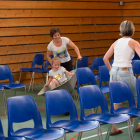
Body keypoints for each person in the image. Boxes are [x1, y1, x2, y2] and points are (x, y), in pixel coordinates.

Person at [103, 20, 140, 135]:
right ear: (132, 30)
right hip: (126, 71)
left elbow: (105, 58)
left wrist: (110, 70)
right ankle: (136, 124)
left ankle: (113, 128)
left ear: (121, 30)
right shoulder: (134, 42)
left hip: (114, 71)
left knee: (116, 99)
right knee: (135, 98)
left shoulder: (116, 43)